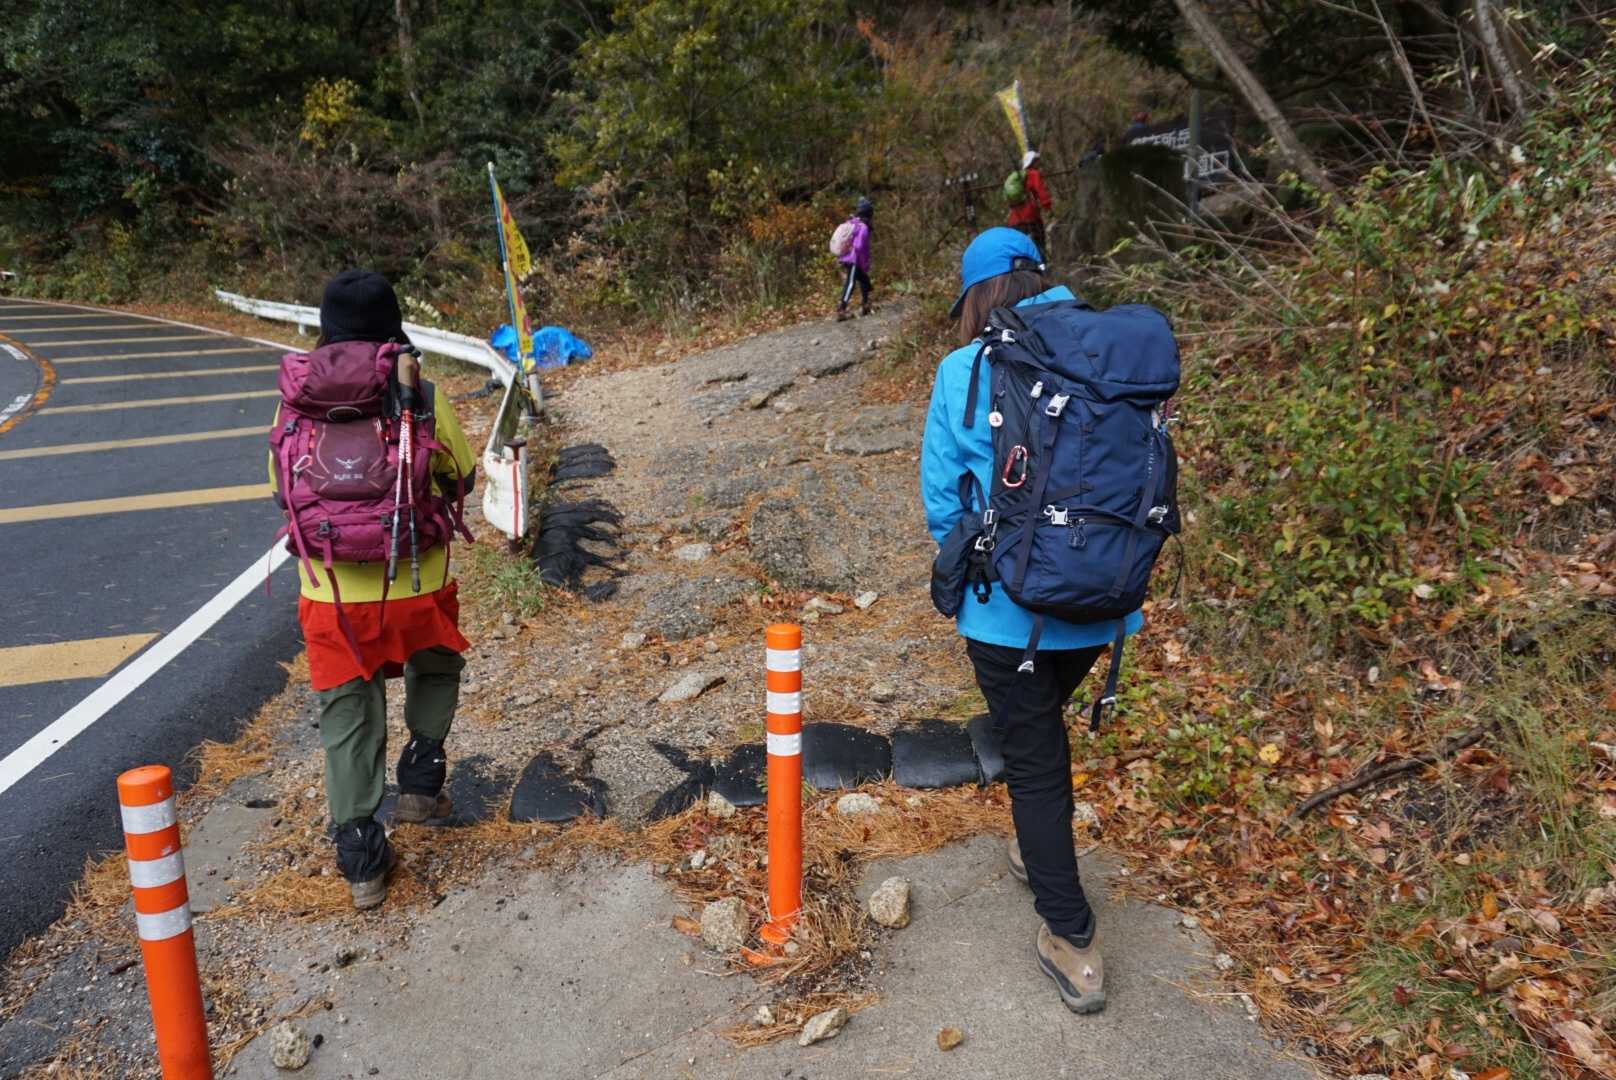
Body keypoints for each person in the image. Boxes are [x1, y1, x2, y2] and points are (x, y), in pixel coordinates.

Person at [919, 228, 1144, 1015]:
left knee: (1036, 759)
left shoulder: (965, 369)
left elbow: (942, 501)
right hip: (1106, 601)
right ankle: (1036, 840)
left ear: (977, 295)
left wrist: (977, 551)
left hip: (1006, 612)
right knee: (1039, 729)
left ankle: (1072, 940)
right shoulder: (1110, 352)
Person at [268, 269, 477, 910]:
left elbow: (280, 489)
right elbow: (462, 476)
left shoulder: (295, 400)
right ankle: (420, 779)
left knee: (347, 711)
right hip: (416, 580)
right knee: (435, 661)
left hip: (330, 592)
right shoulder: (419, 391)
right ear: (393, 324)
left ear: (325, 325)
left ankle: (361, 855)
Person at [1006, 150, 1052, 258]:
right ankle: (1041, 265)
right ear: (1032, 162)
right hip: (1031, 217)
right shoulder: (1033, 174)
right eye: (1037, 161)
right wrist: (1047, 206)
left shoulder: (1018, 177)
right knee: (1039, 245)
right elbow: (1041, 192)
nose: (1039, 163)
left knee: (1020, 248)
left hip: (1015, 219)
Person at [834, 197, 874, 321]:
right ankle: (841, 309)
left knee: (865, 281)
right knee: (850, 283)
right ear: (869, 213)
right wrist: (864, 262)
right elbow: (859, 246)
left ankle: (865, 305)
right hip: (853, 260)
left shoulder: (852, 222)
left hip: (848, 257)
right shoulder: (863, 227)